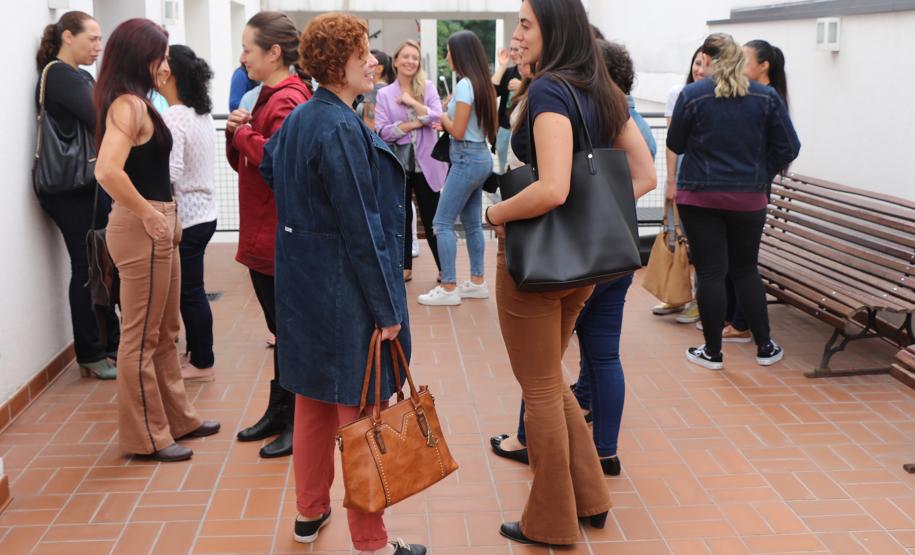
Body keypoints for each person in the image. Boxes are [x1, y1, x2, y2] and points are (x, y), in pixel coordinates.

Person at [483, 0, 655, 544]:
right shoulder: (603, 88)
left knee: (538, 388)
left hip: (537, 264)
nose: (518, 33)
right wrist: (592, 218)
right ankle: (591, 496)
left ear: (554, 28)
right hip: (585, 266)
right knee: (550, 381)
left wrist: (496, 214)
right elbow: (645, 175)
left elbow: (553, 187)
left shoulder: (551, 91)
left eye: (526, 23)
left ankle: (551, 520)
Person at [261, 12, 426, 555]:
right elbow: (362, 228)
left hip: (304, 285)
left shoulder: (303, 117)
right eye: (363, 54)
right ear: (339, 64)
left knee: (312, 401)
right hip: (343, 292)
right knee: (362, 413)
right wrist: (387, 310)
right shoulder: (338, 126)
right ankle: (371, 541)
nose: (373, 62)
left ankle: (309, 512)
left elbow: (269, 167)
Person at [94, 18, 219, 462]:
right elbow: (107, 170)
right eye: (160, 57)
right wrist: (150, 214)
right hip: (142, 227)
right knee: (142, 337)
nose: (166, 66)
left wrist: (169, 215)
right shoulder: (128, 105)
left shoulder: (139, 103)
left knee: (166, 332)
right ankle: (147, 437)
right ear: (139, 58)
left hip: (159, 223)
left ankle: (178, 420)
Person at [667, 33, 800, 371]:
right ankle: (765, 347)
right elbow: (789, 147)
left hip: (698, 197)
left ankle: (712, 352)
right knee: (745, 270)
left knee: (710, 272)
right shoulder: (766, 97)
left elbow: (676, 143)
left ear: (711, 60)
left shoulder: (692, 94)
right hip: (748, 199)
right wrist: (759, 176)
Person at [227, 11, 312, 459]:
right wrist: (237, 132)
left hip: (277, 233)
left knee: (290, 332)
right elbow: (248, 158)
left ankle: (298, 421)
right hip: (264, 231)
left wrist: (243, 133)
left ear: (274, 52)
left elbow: (278, 160)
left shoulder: (288, 99)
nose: (243, 57)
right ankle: (280, 411)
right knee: (282, 330)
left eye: (248, 49)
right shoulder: (269, 95)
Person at [35, 11, 120, 380]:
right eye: (92, 39)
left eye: (100, 40)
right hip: (68, 189)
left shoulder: (79, 76)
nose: (98, 46)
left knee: (100, 264)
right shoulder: (59, 75)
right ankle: (90, 352)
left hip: (84, 185)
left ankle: (110, 343)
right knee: (87, 267)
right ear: (68, 36)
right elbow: (99, 118)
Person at [417, 31, 497, 306]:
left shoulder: (465, 85)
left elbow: (459, 131)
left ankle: (448, 286)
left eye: (449, 51)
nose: (447, 56)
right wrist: (448, 122)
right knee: (473, 224)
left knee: (441, 223)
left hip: (465, 158)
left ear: (461, 53)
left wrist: (442, 116)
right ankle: (477, 282)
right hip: (479, 157)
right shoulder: (482, 83)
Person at [719, 39, 792, 344]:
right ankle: (730, 316)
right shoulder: (751, 95)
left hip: (752, 192)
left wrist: (760, 175)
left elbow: (786, 147)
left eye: (745, 61)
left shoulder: (770, 99)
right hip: (740, 190)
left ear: (764, 66)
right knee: (729, 257)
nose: (738, 66)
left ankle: (742, 322)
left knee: (741, 261)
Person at [160, 45, 218, 382]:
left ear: (170, 73)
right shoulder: (200, 113)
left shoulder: (175, 115)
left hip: (188, 216)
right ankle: (196, 353)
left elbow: (171, 170)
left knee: (190, 292)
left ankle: (203, 362)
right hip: (204, 213)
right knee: (191, 290)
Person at [375, 40, 448, 283]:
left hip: (427, 164)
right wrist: (414, 123)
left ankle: (445, 268)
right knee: (401, 216)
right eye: (405, 56)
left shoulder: (427, 88)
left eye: (414, 57)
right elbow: (382, 131)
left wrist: (413, 103)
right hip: (398, 165)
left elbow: (438, 117)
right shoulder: (384, 94)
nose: (410, 61)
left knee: (433, 217)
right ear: (395, 61)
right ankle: (404, 267)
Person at [653, 46, 706, 322]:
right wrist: (671, 180)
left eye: (706, 64)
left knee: (698, 241)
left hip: (703, 178)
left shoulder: (716, 97)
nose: (700, 69)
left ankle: (698, 300)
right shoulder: (679, 93)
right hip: (682, 173)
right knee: (677, 237)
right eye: (697, 62)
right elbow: (673, 142)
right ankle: (677, 295)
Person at [491, 40, 522, 174]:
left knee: (518, 171)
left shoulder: (536, 75)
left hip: (521, 129)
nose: (512, 53)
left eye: (516, 49)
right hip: (505, 129)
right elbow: (491, 92)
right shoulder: (509, 72)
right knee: (504, 172)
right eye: (511, 49)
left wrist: (522, 87)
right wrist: (502, 66)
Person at [357, 48, 394, 128]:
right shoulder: (390, 90)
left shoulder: (373, 91)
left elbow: (369, 124)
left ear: (379, 69)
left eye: (369, 63)